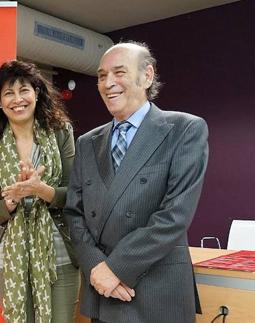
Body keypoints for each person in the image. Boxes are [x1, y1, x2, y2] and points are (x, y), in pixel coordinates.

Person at [64, 41, 208, 323]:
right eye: (101, 76)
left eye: (119, 72)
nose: (108, 83)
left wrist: (116, 269)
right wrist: (95, 267)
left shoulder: (184, 129)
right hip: (103, 290)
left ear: (147, 76)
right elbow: (74, 213)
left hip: (157, 289)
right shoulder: (87, 143)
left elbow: (174, 216)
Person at [0, 60, 80, 323]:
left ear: (36, 92)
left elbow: (75, 196)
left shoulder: (60, 132)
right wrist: (12, 199)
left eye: (24, 90)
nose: (17, 99)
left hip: (58, 254)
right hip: (10, 258)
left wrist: (41, 190)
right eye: (8, 93)